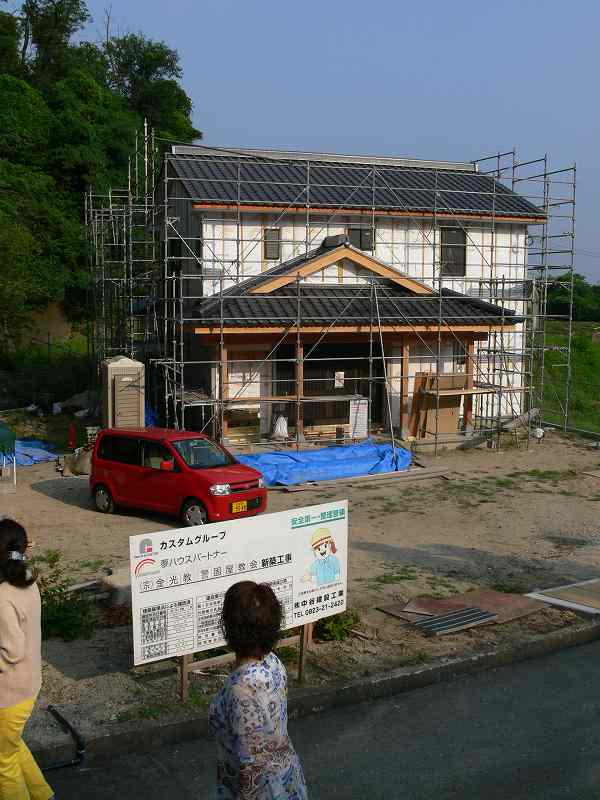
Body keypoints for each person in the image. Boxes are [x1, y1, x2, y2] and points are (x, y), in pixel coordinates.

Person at [209, 581, 307, 800]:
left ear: (229, 626)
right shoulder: (273, 663)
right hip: (287, 779)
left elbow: (251, 767)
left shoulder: (242, 689)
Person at [0, 518, 54, 800]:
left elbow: (11, 650)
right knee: (11, 746)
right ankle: (43, 795)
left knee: (3, 764)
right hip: (29, 683)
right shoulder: (26, 581)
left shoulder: (2, 595)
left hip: (9, 692)